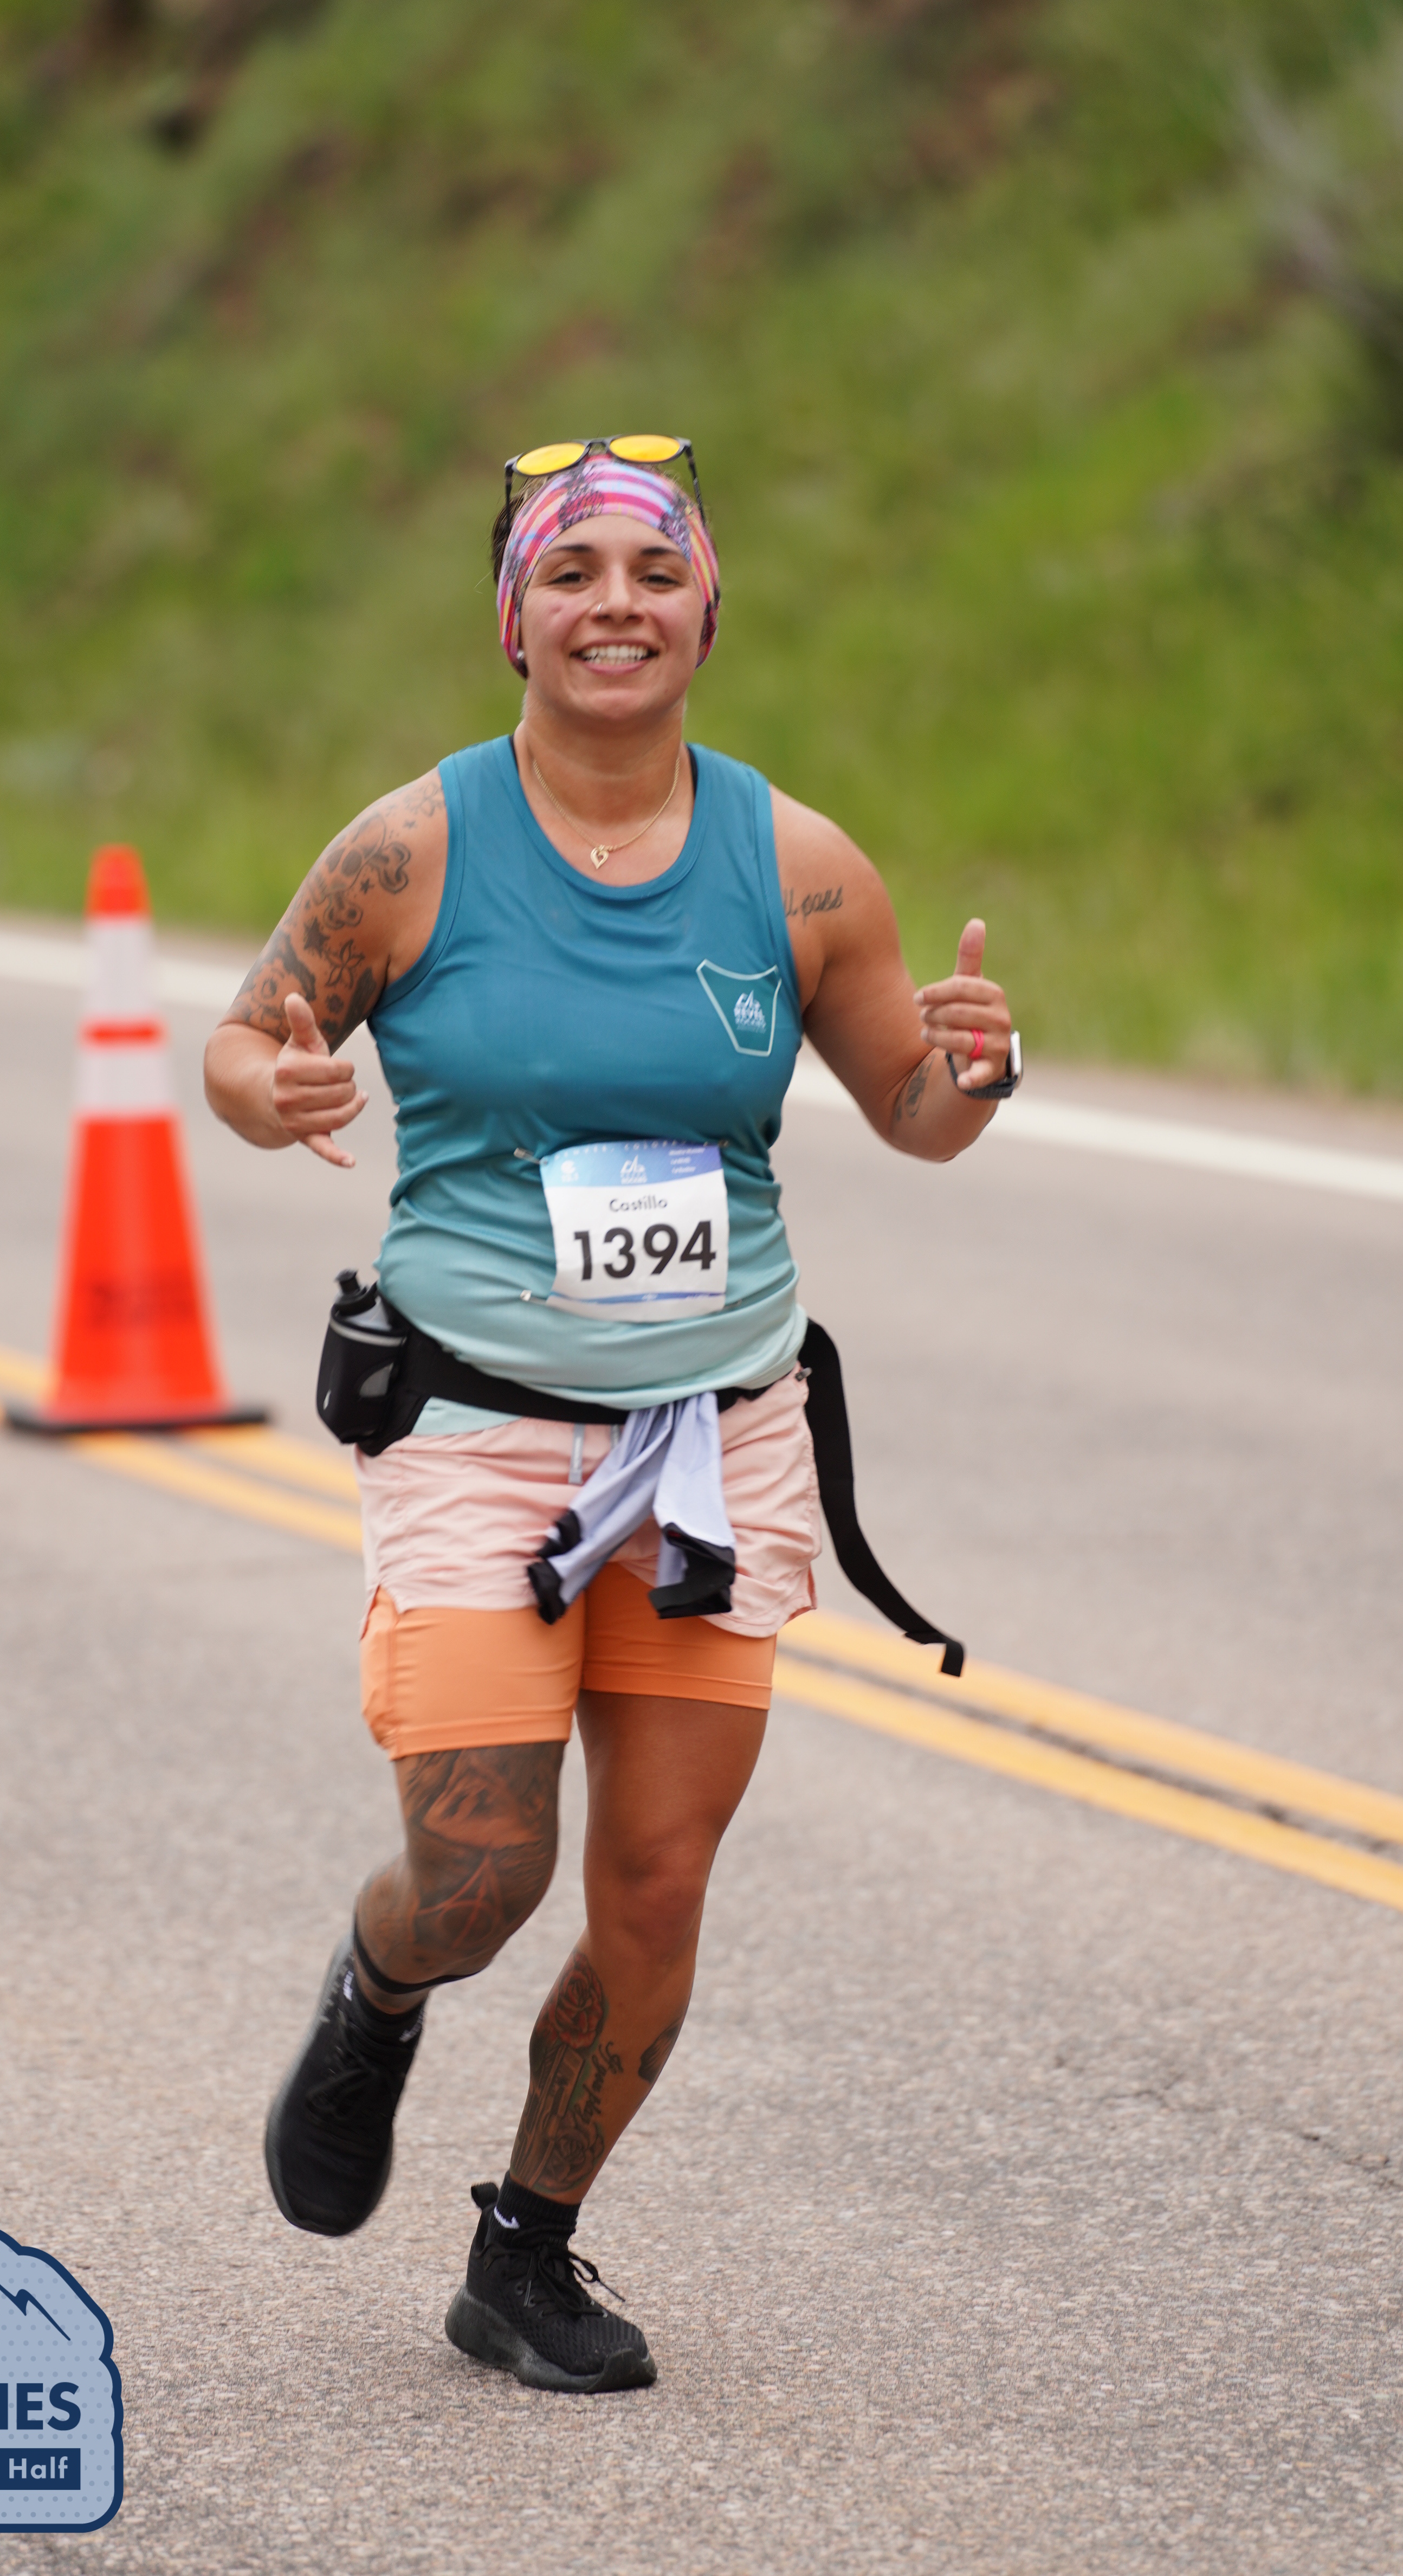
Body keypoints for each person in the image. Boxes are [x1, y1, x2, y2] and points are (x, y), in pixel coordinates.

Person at [204, 435, 1015, 2396]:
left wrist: (978, 1074)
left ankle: (526, 2251)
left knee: (655, 1882)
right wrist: (272, 1092)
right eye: (571, 576)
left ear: (708, 611)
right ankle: (380, 1987)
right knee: (484, 1873)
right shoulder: (412, 849)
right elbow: (242, 1037)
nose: (617, 606)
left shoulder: (802, 868)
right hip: (478, 1423)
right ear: (516, 622)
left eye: (656, 572)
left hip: (714, 1437)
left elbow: (914, 1115)